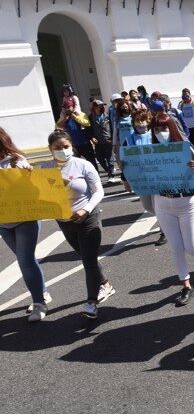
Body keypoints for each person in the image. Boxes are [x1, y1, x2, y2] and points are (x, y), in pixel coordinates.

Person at [149, 112, 194, 306]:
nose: (161, 133)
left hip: (186, 202)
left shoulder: (186, 148)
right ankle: (186, 285)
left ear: (171, 128)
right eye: (156, 129)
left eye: (164, 128)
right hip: (163, 202)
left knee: (192, 247)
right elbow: (141, 174)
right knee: (176, 248)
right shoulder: (150, 152)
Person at [47, 130, 115, 319]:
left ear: (72, 146)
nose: (62, 151)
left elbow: (98, 191)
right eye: (57, 148)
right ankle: (106, 285)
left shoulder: (82, 165)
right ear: (50, 150)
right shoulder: (45, 169)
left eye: (66, 147)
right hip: (64, 222)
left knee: (89, 261)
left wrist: (86, 209)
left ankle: (91, 302)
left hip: (87, 219)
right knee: (87, 258)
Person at [0, 128, 51, 322]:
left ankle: (39, 302)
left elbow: (33, 187)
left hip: (24, 219)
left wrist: (29, 173)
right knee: (26, 259)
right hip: (3, 222)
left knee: (25, 260)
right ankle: (43, 291)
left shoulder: (15, 160)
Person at [89, 100, 117, 182]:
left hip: (108, 139)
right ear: (95, 107)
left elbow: (112, 127)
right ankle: (109, 170)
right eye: (99, 106)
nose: (102, 107)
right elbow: (89, 129)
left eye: (102, 105)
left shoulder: (107, 115)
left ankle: (111, 175)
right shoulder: (91, 117)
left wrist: (113, 137)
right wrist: (92, 137)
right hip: (98, 141)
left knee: (110, 158)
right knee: (100, 158)